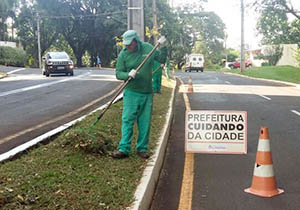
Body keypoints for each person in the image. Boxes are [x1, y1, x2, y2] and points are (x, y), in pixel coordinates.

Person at [112, 30, 167, 159]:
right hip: (131, 92)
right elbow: (118, 73)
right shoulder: (123, 55)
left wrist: (163, 47)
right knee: (127, 119)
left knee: (144, 121)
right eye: (125, 44)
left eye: (129, 44)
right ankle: (124, 148)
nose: (127, 47)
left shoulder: (148, 48)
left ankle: (142, 148)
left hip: (147, 93)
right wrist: (127, 75)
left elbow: (161, 59)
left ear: (136, 41)